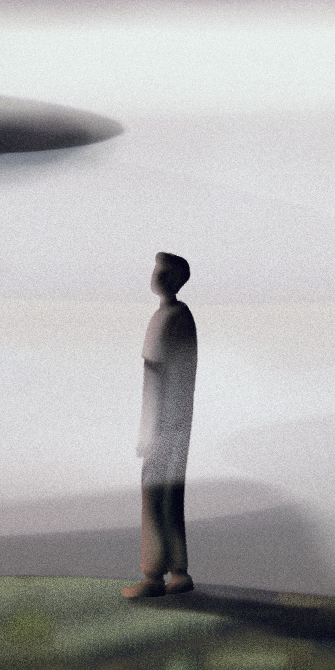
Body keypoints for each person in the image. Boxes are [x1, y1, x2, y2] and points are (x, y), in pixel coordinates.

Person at [124, 252, 197, 598]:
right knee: (171, 495)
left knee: (154, 496)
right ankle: (178, 572)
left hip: (163, 424)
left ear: (172, 278)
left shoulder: (165, 319)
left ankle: (153, 575)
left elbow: (153, 379)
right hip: (180, 421)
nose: (156, 276)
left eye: (162, 271)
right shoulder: (183, 316)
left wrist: (146, 432)